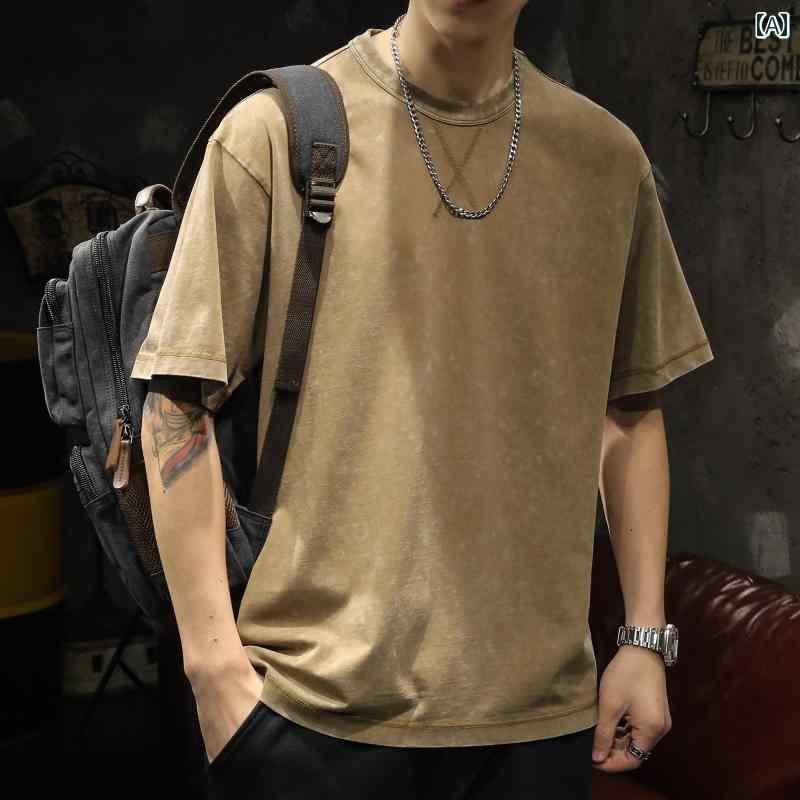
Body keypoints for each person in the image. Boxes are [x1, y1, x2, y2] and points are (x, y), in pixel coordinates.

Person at [131, 1, 714, 797]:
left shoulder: (605, 161)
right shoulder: (274, 134)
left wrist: (644, 640)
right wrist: (213, 674)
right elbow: (175, 401)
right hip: (311, 712)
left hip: (538, 723)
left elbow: (631, 409)